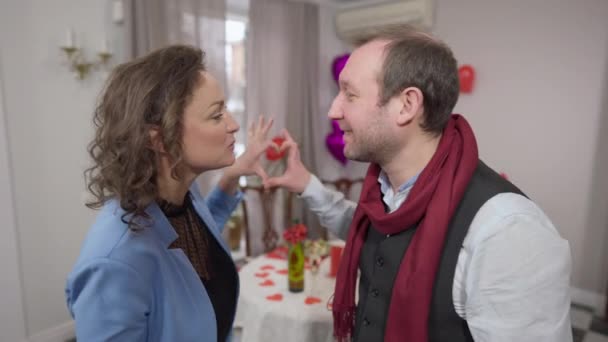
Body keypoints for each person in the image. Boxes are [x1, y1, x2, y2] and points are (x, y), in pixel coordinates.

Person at [267, 25, 572, 342]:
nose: (333, 110)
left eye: (350, 94)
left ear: (406, 105)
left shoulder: (508, 231)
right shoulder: (385, 188)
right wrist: (306, 184)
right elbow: (370, 235)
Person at [65, 45, 275, 341]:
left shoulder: (180, 193)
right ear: (160, 139)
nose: (233, 124)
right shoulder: (114, 263)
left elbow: (199, 238)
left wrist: (231, 177)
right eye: (217, 115)